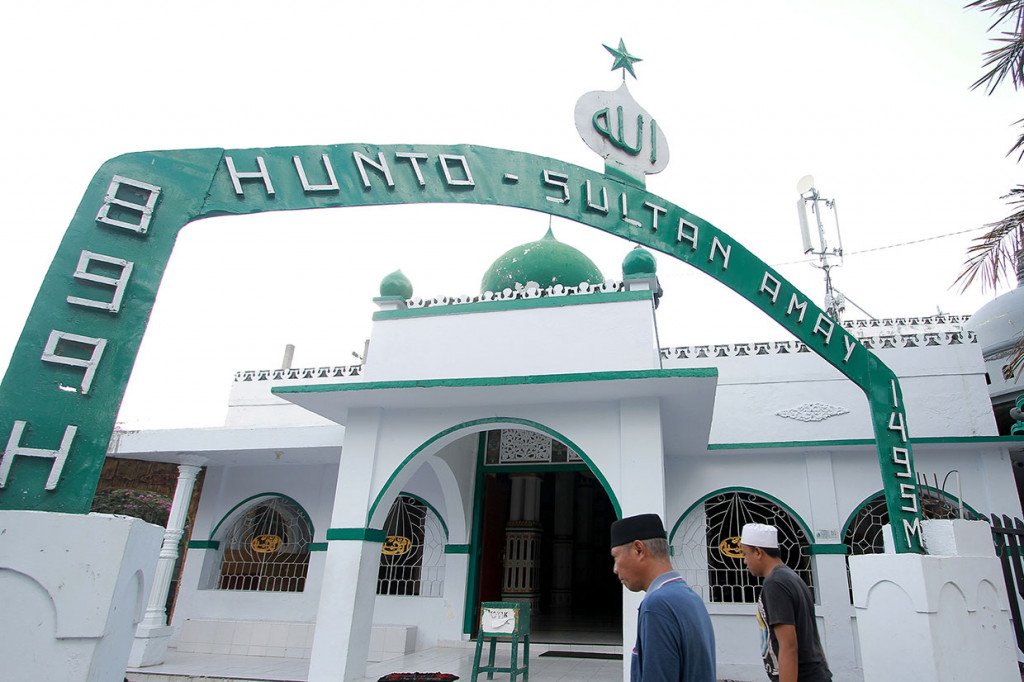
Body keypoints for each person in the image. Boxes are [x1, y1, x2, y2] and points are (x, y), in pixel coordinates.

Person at [610, 513, 716, 682]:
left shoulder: (657, 605)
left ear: (639, 550)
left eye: (616, 557)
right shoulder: (690, 598)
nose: (615, 569)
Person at [739, 523, 832, 682]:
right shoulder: (792, 578)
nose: (745, 561)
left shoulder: (775, 584)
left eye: (745, 554)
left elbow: (788, 646)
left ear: (758, 552)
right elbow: (813, 636)